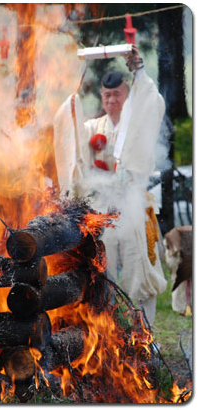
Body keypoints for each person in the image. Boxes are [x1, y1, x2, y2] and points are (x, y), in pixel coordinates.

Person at [53, 46, 167, 325]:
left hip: (134, 205)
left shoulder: (136, 120)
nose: (112, 100)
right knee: (105, 272)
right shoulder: (94, 128)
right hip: (103, 210)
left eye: (117, 94)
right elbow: (72, 138)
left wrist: (139, 72)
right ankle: (113, 333)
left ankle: (146, 333)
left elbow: (151, 102)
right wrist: (72, 93)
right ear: (102, 98)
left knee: (141, 267)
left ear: (127, 94)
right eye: (107, 95)